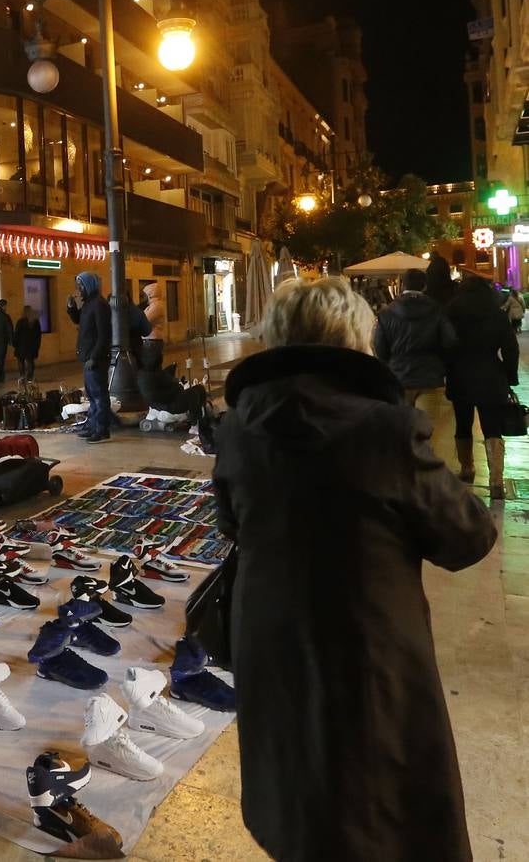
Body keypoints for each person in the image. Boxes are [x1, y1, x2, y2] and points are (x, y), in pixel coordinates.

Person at [212, 277, 496, 862]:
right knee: (378, 802)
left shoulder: (238, 426)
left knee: (298, 788)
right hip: (367, 647)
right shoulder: (385, 429)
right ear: (356, 337)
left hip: (269, 635)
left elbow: (231, 521)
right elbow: (468, 538)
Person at [446, 275, 520, 499]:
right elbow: (511, 349)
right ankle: (496, 480)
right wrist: (510, 376)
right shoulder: (496, 314)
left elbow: (444, 342)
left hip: (460, 375)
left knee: (463, 424)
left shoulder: (452, 313)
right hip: (490, 375)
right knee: (492, 427)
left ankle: (467, 469)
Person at [373, 268, 457, 406]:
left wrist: (393, 363)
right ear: (425, 286)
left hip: (398, 377)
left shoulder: (387, 313)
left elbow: (379, 348)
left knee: (403, 425)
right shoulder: (437, 309)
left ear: (403, 286)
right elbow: (450, 340)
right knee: (428, 424)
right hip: (430, 376)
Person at [66, 272, 112, 444]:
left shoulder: (99, 305)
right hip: (87, 358)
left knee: (99, 395)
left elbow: (103, 335)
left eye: (81, 286)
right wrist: (71, 308)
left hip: (96, 359)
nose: (79, 290)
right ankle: (93, 425)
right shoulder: (89, 304)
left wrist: (94, 356)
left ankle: (101, 429)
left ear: (89, 286)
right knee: (92, 396)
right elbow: (80, 320)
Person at [141, 283, 166, 371]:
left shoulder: (156, 306)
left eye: (145, 295)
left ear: (150, 295)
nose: (143, 297)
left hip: (152, 340)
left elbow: (144, 320)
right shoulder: (152, 306)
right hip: (151, 340)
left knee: (150, 368)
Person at [13, 305, 42, 380]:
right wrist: (37, 346)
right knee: (30, 361)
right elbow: (38, 335)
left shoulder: (20, 322)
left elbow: (17, 334)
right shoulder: (35, 322)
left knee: (20, 361)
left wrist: (15, 343)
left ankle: (22, 375)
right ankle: (30, 376)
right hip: (31, 346)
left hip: (21, 346)